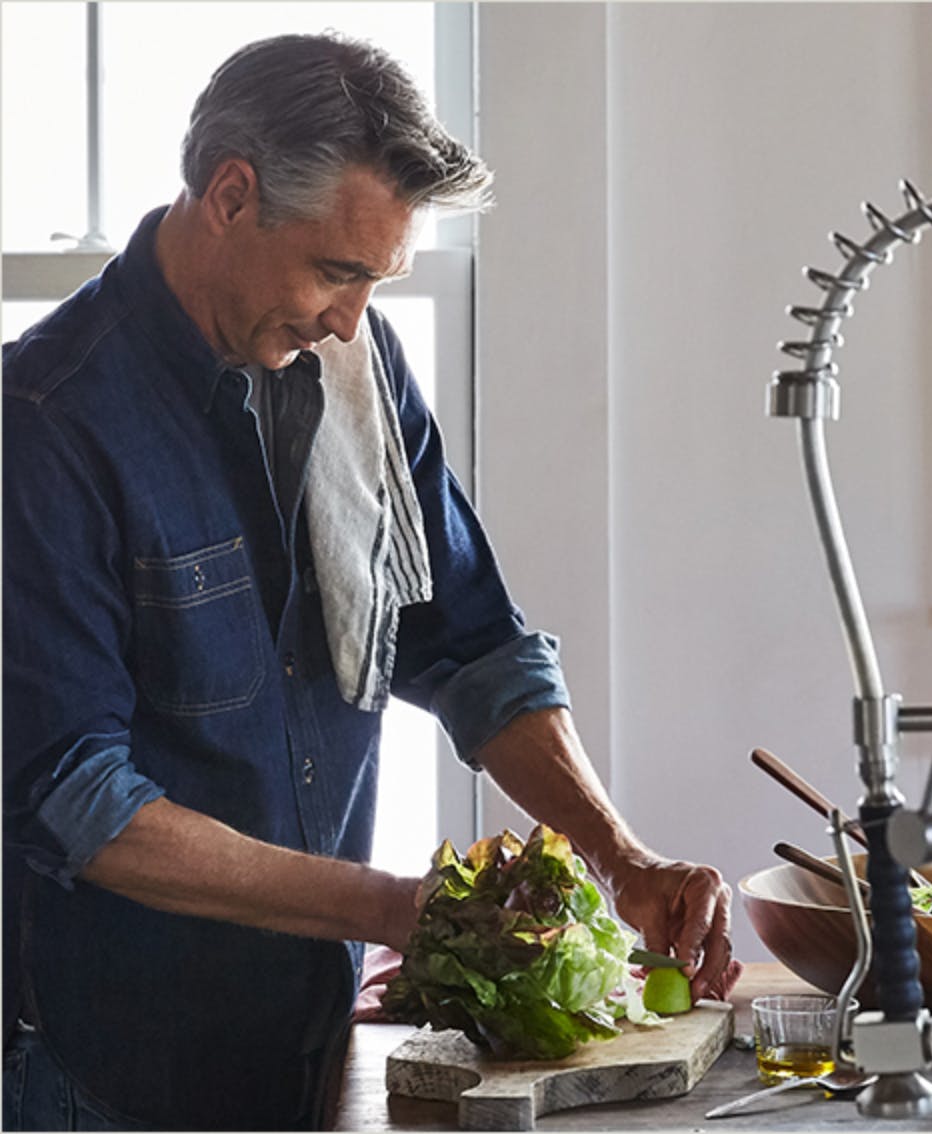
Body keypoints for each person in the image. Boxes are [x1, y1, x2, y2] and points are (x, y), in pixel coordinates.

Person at [3, 31, 734, 1132]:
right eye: (336, 270)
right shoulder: (43, 425)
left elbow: (471, 645)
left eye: (375, 281)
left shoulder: (356, 365)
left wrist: (619, 858)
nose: (351, 318)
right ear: (231, 196)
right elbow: (79, 806)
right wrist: (398, 908)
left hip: (306, 1038)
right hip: (97, 1068)